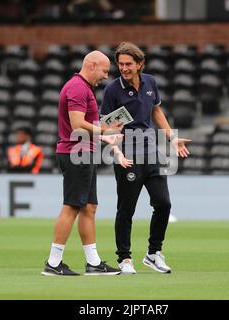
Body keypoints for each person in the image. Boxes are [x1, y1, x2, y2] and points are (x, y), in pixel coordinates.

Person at [101, 42, 191, 274]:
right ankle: (124, 258)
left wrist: (172, 137)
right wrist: (117, 152)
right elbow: (105, 126)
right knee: (126, 209)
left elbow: (156, 111)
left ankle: (153, 254)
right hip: (127, 154)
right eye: (120, 64)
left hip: (152, 152)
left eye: (128, 64)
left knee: (163, 203)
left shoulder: (150, 82)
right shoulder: (112, 89)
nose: (123, 68)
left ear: (140, 64)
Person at [42, 50, 131, 276]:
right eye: (103, 70)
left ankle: (93, 263)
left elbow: (84, 126)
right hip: (76, 153)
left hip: (83, 151)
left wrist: (104, 136)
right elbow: (77, 125)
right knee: (71, 206)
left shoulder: (82, 88)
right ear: (91, 65)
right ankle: (53, 263)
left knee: (89, 207)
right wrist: (105, 129)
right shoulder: (78, 88)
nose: (105, 75)